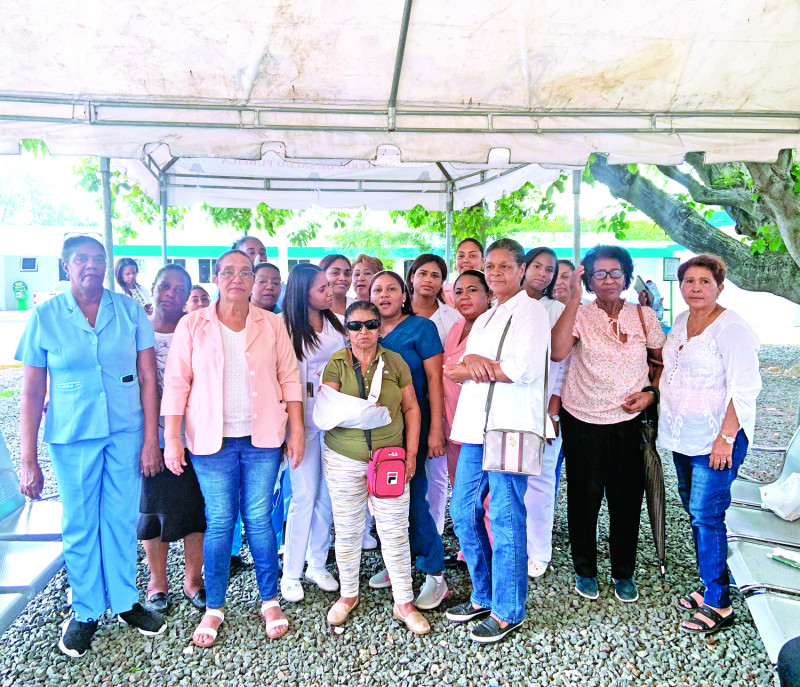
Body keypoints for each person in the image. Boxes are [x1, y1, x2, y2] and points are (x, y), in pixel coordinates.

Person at [16, 235, 166, 658]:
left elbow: (148, 377)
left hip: (125, 432)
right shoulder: (45, 316)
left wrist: (151, 438)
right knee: (81, 523)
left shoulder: (129, 310)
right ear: (66, 266)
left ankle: (124, 601)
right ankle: (84, 610)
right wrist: (28, 459)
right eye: (81, 259)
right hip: (73, 436)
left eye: (99, 259)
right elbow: (30, 393)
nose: (91, 266)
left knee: (119, 519)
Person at [161, 249, 304, 647]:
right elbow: (176, 385)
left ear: (255, 280)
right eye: (228, 272)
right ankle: (215, 607)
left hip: (262, 440)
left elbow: (290, 379)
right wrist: (171, 438)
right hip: (211, 442)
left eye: (245, 272)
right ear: (216, 277)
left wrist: (297, 430)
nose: (237, 278)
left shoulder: (272, 324)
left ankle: (270, 600)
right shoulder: (193, 325)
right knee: (221, 520)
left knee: (259, 519)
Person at [444, 238, 550, 643]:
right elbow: (459, 365)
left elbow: (522, 369)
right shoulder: (488, 315)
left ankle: (509, 610)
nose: (496, 273)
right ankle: (484, 594)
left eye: (504, 266)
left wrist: (474, 367)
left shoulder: (531, 311)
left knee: (505, 518)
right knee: (462, 511)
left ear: (521, 270)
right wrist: (475, 365)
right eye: (490, 266)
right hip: (474, 428)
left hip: (511, 428)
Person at [551, 244, 666, 603]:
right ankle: (585, 570)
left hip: (628, 421)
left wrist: (651, 394)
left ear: (626, 276)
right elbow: (556, 351)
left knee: (626, 498)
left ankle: (623, 572)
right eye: (599, 273)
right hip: (582, 418)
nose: (608, 280)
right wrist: (571, 298)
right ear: (588, 279)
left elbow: (665, 363)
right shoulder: (580, 314)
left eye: (615, 272)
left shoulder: (643, 316)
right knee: (584, 498)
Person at [659, 255, 761, 635]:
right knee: (694, 509)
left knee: (707, 513)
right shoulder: (684, 321)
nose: (696, 287)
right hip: (684, 435)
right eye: (689, 281)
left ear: (720, 286)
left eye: (705, 281)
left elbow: (744, 388)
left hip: (717, 439)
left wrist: (726, 438)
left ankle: (720, 602)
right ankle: (711, 583)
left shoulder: (731, 328)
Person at [320, 301, 429, 634]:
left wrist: (411, 454)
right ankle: (348, 594)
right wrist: (367, 412)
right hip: (343, 457)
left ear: (380, 327)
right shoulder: (336, 363)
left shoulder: (396, 362)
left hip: (389, 458)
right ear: (347, 329)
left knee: (395, 530)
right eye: (355, 325)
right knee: (348, 528)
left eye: (370, 324)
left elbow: (411, 409)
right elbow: (328, 412)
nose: (363, 331)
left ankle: (404, 602)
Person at [369, 271, 449, 610]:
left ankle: (435, 573)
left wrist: (435, 431)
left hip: (415, 425)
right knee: (384, 501)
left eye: (391, 289)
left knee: (414, 498)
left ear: (404, 294)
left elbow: (435, 380)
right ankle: (397, 562)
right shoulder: (365, 329)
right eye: (377, 290)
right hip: (377, 427)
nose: (384, 295)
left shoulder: (422, 329)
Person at [137, 264, 206, 614]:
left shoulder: (195, 329)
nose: (171, 294)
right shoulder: (137, 331)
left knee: (196, 508)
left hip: (194, 436)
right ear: (152, 288)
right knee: (154, 509)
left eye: (180, 289)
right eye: (165, 286)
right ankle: (157, 580)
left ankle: (193, 579)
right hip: (152, 436)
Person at [280, 264, 346, 602]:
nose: (329, 291)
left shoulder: (334, 321)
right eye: (321, 287)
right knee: (304, 495)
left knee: (328, 495)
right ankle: (290, 573)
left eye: (329, 286)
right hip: (301, 422)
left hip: (333, 420)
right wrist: (292, 430)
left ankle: (316, 562)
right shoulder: (286, 327)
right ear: (303, 291)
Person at [406, 253, 460, 535]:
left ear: (442, 282)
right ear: (412, 276)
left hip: (440, 401)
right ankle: (400, 537)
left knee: (437, 473)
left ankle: (434, 534)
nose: (429, 280)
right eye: (423, 273)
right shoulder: (396, 311)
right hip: (401, 404)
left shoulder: (453, 318)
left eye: (436, 275)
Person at [520, 247, 566, 579]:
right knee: (505, 480)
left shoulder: (557, 310)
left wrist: (552, 411)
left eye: (549, 269)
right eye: (537, 266)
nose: (542, 273)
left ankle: (539, 550)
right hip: (506, 409)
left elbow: (562, 367)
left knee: (540, 479)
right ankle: (510, 543)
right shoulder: (499, 307)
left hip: (544, 409)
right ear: (523, 267)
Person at [442, 270, 492, 486]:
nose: (464, 297)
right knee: (458, 485)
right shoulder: (456, 326)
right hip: (452, 422)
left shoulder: (494, 327)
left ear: (489, 294)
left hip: (481, 427)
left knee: (484, 494)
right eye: (459, 292)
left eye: (472, 290)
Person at [444, 238, 485, 307]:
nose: (465, 260)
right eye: (461, 256)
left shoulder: (495, 294)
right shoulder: (443, 293)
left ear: (483, 261)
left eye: (472, 256)